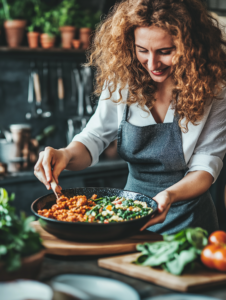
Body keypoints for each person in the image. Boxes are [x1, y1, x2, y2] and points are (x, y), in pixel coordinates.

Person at [34, 0, 226, 234]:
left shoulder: (214, 89)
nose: (153, 64)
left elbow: (205, 168)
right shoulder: (122, 80)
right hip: (128, 216)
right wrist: (64, 155)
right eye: (142, 50)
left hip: (190, 224)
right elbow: (94, 138)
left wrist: (168, 195)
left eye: (166, 52)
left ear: (190, 47)